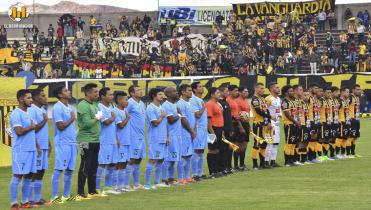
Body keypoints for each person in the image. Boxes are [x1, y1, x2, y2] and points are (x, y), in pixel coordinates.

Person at [9, 89, 38, 210]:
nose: (31, 100)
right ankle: (14, 204)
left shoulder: (30, 112)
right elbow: (19, 132)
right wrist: (31, 127)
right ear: (21, 99)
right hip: (21, 150)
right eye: (29, 98)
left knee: (29, 175)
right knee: (17, 176)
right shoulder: (15, 113)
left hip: (31, 149)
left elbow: (33, 131)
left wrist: (37, 146)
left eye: (31, 97)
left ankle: (25, 202)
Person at [51, 86, 78, 203]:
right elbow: (60, 127)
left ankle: (66, 195)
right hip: (62, 142)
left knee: (70, 170)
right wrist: (72, 119)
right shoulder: (57, 107)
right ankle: (54, 197)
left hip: (72, 142)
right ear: (60, 95)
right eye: (66, 91)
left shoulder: (70, 107)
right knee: (59, 169)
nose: (69, 91)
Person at [76, 83, 100, 198]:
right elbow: (86, 124)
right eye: (95, 92)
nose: (97, 94)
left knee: (94, 165)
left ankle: (92, 190)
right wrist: (96, 118)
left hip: (95, 140)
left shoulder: (94, 104)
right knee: (85, 165)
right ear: (88, 93)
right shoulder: (83, 105)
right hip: (84, 140)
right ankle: (80, 192)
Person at [28, 89, 50, 206]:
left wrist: (49, 144)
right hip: (37, 147)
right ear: (36, 98)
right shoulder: (32, 110)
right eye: (43, 96)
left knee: (41, 172)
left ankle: (37, 198)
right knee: (34, 172)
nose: (45, 97)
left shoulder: (42, 109)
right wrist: (44, 120)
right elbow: (34, 128)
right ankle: (30, 199)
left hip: (44, 146)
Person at [96, 87, 120, 195]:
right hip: (103, 140)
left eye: (112, 95)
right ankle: (96, 188)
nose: (112, 97)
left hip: (112, 140)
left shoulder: (111, 107)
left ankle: (108, 187)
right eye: (109, 95)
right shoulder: (99, 107)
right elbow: (105, 123)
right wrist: (113, 118)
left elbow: (114, 126)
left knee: (112, 164)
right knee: (101, 164)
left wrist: (116, 139)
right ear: (102, 96)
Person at [144, 88, 169, 190]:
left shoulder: (161, 107)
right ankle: (147, 184)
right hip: (155, 138)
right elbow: (155, 123)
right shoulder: (150, 108)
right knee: (153, 160)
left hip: (163, 138)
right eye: (159, 94)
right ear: (154, 96)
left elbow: (165, 124)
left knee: (161, 160)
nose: (162, 96)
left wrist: (167, 136)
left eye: (162, 94)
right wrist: (162, 116)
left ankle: (157, 182)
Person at [162, 87, 182, 185]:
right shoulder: (166, 105)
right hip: (171, 135)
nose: (177, 92)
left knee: (173, 158)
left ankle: (170, 178)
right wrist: (179, 114)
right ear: (168, 94)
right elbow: (171, 120)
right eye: (174, 91)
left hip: (177, 135)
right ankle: (164, 178)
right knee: (168, 158)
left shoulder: (174, 105)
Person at [127, 85, 146, 189]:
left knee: (139, 159)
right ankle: (125, 184)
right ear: (132, 93)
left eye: (140, 89)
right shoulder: (129, 103)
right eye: (138, 90)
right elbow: (123, 114)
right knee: (132, 159)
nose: (140, 91)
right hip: (133, 136)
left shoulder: (142, 103)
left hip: (141, 136)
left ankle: (136, 183)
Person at [176, 84, 196, 184]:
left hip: (190, 133)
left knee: (189, 155)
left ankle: (187, 177)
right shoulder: (180, 104)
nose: (191, 92)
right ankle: (180, 178)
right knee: (183, 155)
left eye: (191, 90)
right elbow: (183, 119)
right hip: (184, 133)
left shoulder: (190, 103)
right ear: (183, 92)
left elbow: (193, 118)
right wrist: (191, 131)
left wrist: (194, 130)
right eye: (189, 90)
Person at [251, 83, 271, 170]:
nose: (263, 90)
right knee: (257, 144)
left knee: (264, 144)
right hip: (258, 124)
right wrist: (269, 116)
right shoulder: (255, 100)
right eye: (261, 88)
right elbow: (259, 111)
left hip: (265, 124)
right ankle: (255, 165)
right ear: (256, 89)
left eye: (263, 88)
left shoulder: (263, 99)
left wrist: (269, 122)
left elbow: (267, 111)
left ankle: (262, 163)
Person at [114, 91, 132, 192]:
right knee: (119, 164)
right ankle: (115, 186)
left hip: (127, 141)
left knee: (124, 163)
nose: (127, 102)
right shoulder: (115, 111)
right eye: (125, 100)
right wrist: (127, 119)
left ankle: (122, 185)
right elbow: (120, 125)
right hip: (120, 142)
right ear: (119, 100)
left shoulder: (124, 111)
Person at [190, 82, 208, 181]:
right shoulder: (193, 100)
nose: (202, 88)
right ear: (194, 89)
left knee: (201, 150)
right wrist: (204, 107)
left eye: (202, 86)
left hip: (203, 129)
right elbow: (197, 114)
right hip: (197, 128)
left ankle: (200, 173)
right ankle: (194, 174)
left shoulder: (200, 100)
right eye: (200, 87)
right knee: (196, 150)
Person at [206, 87, 224, 177]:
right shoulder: (209, 104)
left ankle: (217, 170)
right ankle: (212, 171)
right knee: (212, 150)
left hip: (219, 129)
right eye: (217, 93)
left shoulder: (218, 103)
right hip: (212, 129)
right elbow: (208, 119)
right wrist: (212, 132)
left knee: (218, 149)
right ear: (212, 94)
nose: (219, 94)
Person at [281, 85, 301, 167]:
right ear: (286, 93)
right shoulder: (285, 102)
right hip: (289, 125)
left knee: (294, 143)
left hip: (295, 124)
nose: (292, 92)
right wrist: (296, 122)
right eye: (290, 91)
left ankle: (292, 160)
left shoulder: (294, 101)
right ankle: (287, 161)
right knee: (289, 143)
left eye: (293, 91)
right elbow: (288, 115)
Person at [265, 83, 281, 167]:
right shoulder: (268, 99)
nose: (279, 89)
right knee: (270, 143)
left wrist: (280, 115)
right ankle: (266, 162)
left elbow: (278, 110)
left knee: (276, 143)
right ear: (271, 89)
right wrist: (268, 120)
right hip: (271, 124)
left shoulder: (278, 98)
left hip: (277, 124)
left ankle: (273, 161)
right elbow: (264, 110)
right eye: (277, 87)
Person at [218, 86, 233, 173]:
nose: (228, 93)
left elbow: (228, 118)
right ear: (221, 92)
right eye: (226, 91)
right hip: (223, 130)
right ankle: (223, 168)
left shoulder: (225, 102)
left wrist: (231, 129)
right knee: (223, 149)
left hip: (228, 130)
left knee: (228, 149)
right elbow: (221, 118)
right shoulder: (220, 103)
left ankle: (228, 166)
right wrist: (223, 129)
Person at [235, 87, 250, 170]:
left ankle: (242, 164)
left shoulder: (246, 101)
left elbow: (247, 115)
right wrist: (240, 126)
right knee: (238, 145)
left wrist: (249, 126)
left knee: (245, 145)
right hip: (240, 125)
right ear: (240, 92)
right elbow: (237, 115)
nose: (247, 93)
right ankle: (236, 165)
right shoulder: (237, 101)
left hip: (246, 124)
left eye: (247, 91)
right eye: (245, 91)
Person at [307, 84, 321, 163]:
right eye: (315, 88)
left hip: (316, 121)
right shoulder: (308, 98)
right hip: (311, 121)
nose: (317, 90)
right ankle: (309, 157)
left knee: (315, 140)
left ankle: (314, 157)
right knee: (310, 140)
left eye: (317, 88)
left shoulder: (316, 99)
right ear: (310, 89)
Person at [318, 87, 333, 161]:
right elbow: (316, 111)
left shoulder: (330, 101)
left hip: (329, 122)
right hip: (322, 122)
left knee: (327, 139)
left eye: (330, 93)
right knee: (321, 138)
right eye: (327, 92)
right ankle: (320, 155)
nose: (329, 94)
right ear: (323, 93)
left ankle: (326, 155)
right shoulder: (321, 101)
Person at [338, 87, 351, 158]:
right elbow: (335, 112)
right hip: (341, 122)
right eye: (347, 92)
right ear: (342, 92)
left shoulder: (346, 101)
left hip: (347, 122)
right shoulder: (339, 101)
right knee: (340, 138)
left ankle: (343, 153)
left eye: (348, 92)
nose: (348, 93)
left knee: (345, 138)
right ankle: (337, 153)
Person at [349, 85, 361, 157]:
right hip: (351, 119)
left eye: (359, 89)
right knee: (351, 136)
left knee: (356, 136)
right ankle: (348, 152)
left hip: (357, 119)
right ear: (353, 90)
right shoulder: (350, 98)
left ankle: (353, 152)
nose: (359, 91)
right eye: (357, 89)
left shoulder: (357, 98)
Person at [330, 87, 341, 159]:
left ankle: (333, 154)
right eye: (336, 92)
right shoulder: (329, 101)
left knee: (335, 138)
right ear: (332, 93)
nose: (338, 93)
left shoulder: (337, 101)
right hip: (330, 122)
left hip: (336, 122)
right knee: (329, 138)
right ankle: (329, 155)